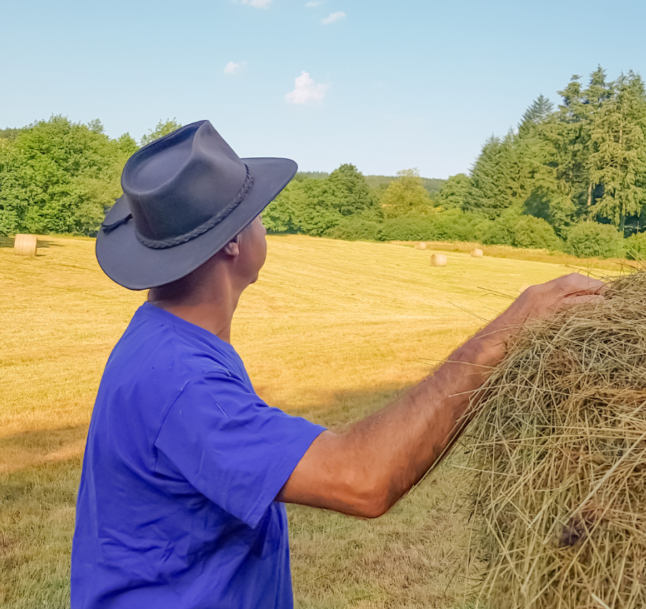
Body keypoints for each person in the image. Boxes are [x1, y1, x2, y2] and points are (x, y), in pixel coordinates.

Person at [71, 121, 606, 608]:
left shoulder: (163, 341)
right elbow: (360, 478)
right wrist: (503, 336)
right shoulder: (182, 381)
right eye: (255, 211)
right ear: (233, 242)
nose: (264, 221)